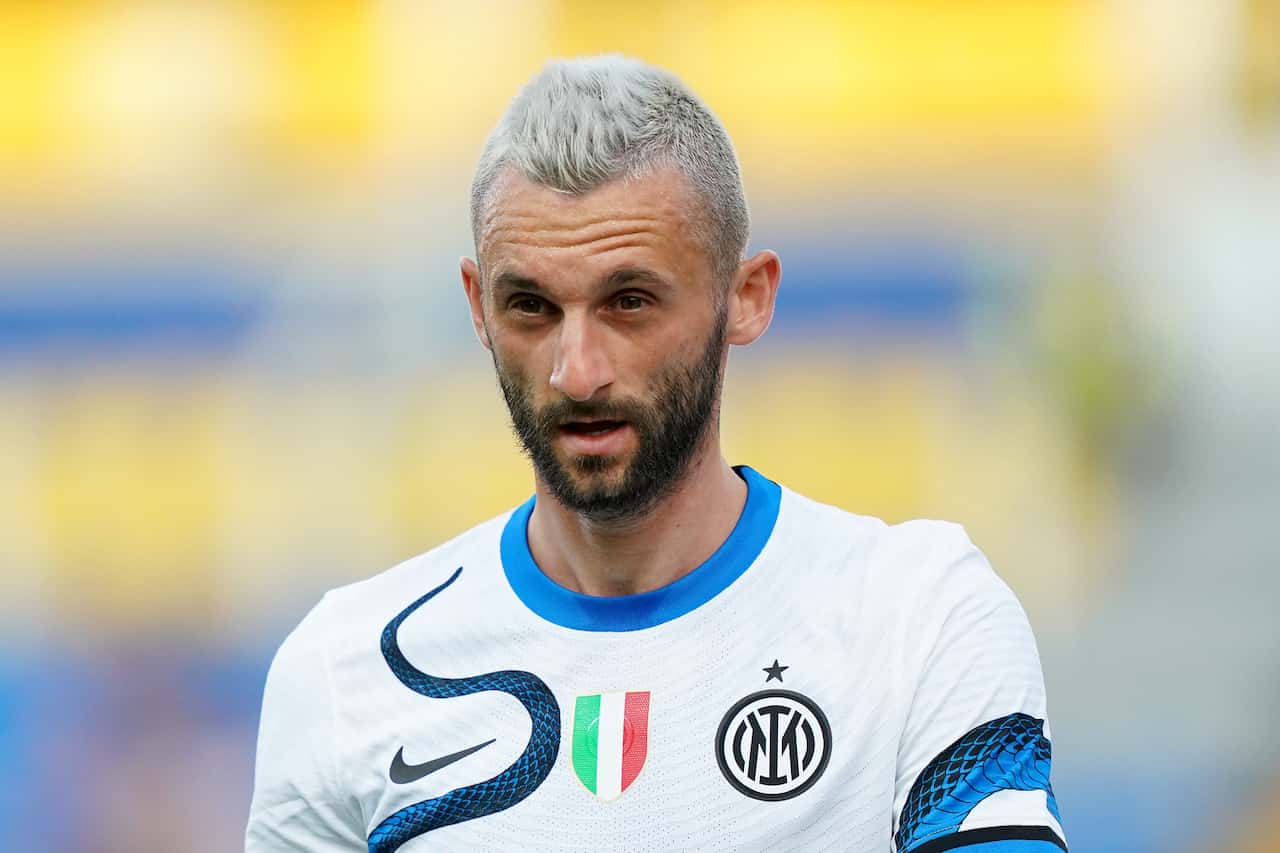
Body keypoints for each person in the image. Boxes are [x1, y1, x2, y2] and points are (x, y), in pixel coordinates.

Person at [246, 55, 1068, 853]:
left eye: (629, 301)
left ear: (746, 298)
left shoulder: (918, 616)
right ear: (477, 305)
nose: (577, 371)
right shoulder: (347, 669)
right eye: (530, 306)